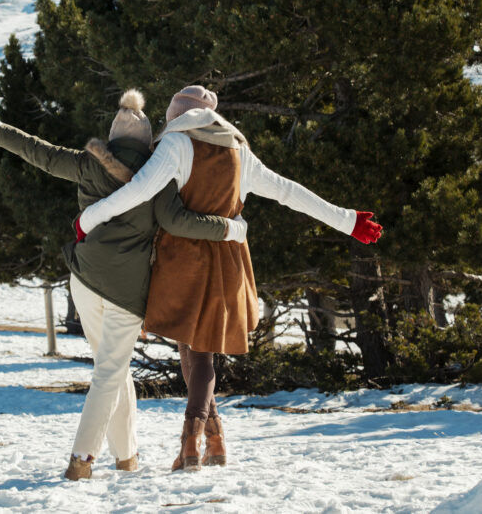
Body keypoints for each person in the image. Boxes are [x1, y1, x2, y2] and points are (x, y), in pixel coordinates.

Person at [75, 85, 382, 471]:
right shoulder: (239, 150)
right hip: (227, 259)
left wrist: (88, 218)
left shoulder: (176, 146)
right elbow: (288, 192)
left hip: (182, 260)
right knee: (196, 348)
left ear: (176, 116)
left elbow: (138, 191)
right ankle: (214, 440)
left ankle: (191, 441)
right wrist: (346, 220)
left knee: (196, 349)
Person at [0, 89, 248, 481]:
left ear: (112, 138)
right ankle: (82, 459)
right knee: (109, 372)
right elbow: (180, 220)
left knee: (113, 368)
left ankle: (127, 457)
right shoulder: (157, 174)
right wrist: (229, 229)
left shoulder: (85, 164)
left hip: (84, 280)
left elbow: (35, 150)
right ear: (148, 143)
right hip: (126, 293)